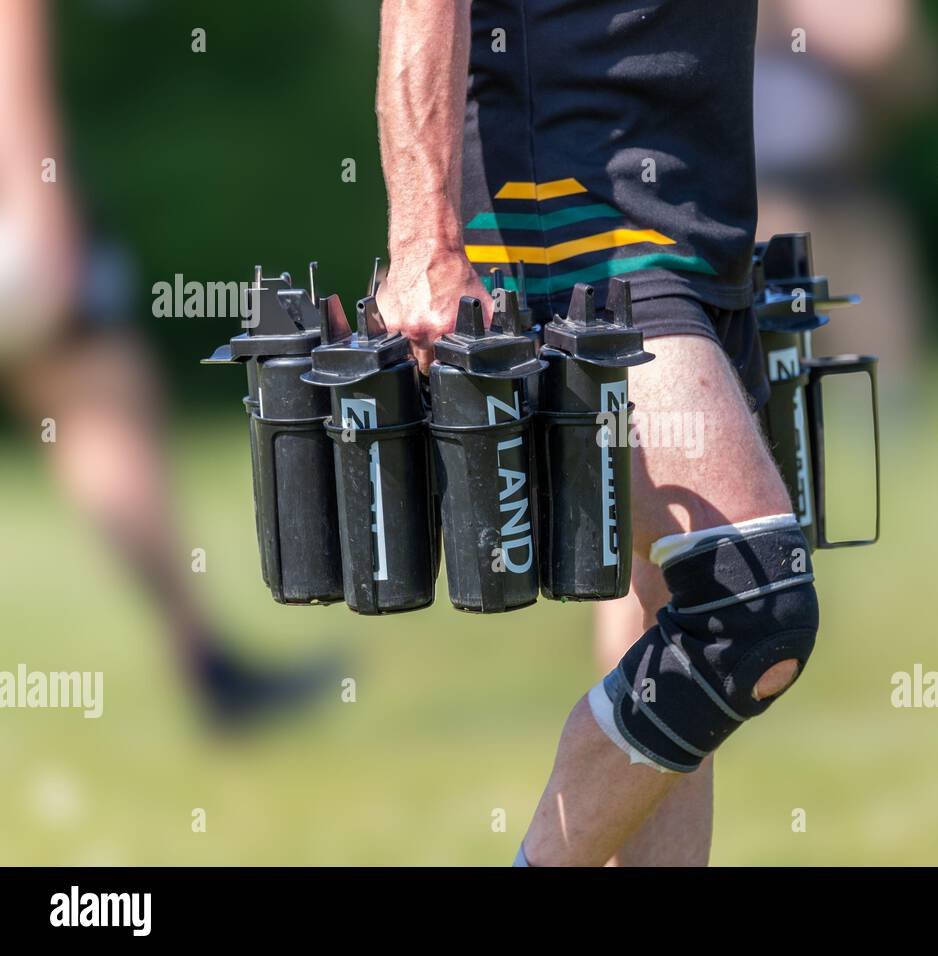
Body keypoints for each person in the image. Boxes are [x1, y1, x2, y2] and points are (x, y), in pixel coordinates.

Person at [375, 0, 818, 866]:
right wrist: (423, 234)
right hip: (571, 203)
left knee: (669, 609)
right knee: (748, 609)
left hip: (699, 200)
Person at [0, 0, 335, 727]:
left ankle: (207, 659)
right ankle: (206, 662)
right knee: (101, 405)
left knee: (91, 406)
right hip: (12, 215)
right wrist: (41, 200)